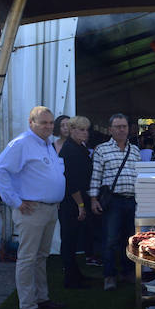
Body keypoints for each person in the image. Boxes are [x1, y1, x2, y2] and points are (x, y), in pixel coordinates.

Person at [0, 106, 66, 309]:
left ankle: (41, 298)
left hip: (49, 209)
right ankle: (27, 305)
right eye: (44, 123)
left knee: (41, 257)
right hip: (31, 209)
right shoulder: (22, 144)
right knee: (28, 258)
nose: (49, 126)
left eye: (51, 123)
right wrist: (14, 200)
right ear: (31, 122)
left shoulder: (47, 145)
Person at [89, 113, 140, 291]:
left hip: (132, 201)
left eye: (124, 126)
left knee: (130, 240)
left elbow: (139, 176)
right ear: (110, 130)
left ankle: (128, 272)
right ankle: (109, 276)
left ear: (129, 129)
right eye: (117, 126)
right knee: (110, 240)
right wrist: (94, 199)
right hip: (113, 202)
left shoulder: (134, 150)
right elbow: (95, 176)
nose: (121, 129)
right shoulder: (101, 150)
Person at [59, 115, 92, 289]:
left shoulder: (79, 147)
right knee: (69, 240)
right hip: (72, 202)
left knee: (73, 240)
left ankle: (75, 275)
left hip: (78, 199)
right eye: (81, 129)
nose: (85, 133)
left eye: (86, 129)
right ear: (72, 130)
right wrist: (80, 206)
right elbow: (71, 181)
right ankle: (71, 280)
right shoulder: (70, 150)